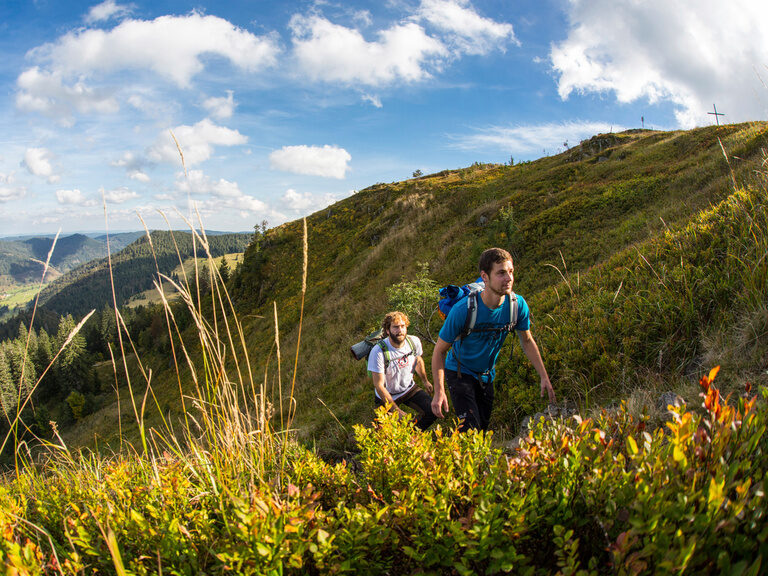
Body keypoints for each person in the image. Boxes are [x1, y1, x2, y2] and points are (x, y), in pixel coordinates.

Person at [431, 247, 555, 431]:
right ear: (485, 277)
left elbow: (527, 341)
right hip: (458, 372)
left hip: (487, 375)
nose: (509, 278)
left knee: (482, 429)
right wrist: (439, 390)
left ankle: (453, 456)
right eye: (501, 273)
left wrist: (544, 376)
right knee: (470, 430)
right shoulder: (463, 310)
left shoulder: (517, 306)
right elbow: (439, 351)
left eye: (511, 272)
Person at [368, 311, 436, 430]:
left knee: (432, 410)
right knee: (383, 434)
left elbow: (418, 361)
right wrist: (397, 410)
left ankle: (411, 435)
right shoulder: (378, 351)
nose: (400, 330)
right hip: (386, 394)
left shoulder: (413, 342)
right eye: (395, 327)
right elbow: (379, 385)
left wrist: (425, 381)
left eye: (403, 326)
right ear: (388, 330)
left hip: (408, 389)